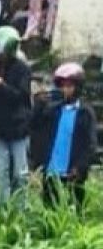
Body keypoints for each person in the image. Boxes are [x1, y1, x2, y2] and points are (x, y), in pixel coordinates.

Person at [32, 62, 96, 206]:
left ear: (78, 88)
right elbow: (35, 126)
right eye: (62, 86)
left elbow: (91, 145)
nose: (65, 90)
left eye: (69, 86)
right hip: (52, 171)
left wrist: (79, 167)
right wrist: (39, 105)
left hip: (72, 173)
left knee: (74, 209)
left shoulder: (85, 113)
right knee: (50, 209)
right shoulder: (53, 110)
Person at [0, 26, 31, 205]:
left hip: (18, 128)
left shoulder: (22, 69)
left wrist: (1, 85)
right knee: (0, 171)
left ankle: (21, 208)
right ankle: (2, 208)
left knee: (20, 172)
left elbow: (20, 95)